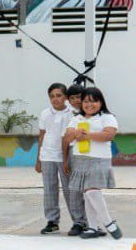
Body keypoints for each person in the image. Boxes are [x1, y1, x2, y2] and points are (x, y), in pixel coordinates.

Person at [64, 86, 122, 240]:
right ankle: (92, 227)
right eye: (85, 101)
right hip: (80, 159)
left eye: (93, 101)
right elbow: (68, 136)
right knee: (88, 192)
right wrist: (76, 133)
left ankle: (109, 222)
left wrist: (87, 135)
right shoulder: (76, 119)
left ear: (101, 102)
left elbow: (108, 135)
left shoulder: (107, 117)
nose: (89, 105)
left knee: (91, 190)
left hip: (99, 159)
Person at [36, 83, 74, 234]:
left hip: (65, 156)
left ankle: (79, 221)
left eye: (59, 95)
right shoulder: (45, 113)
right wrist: (38, 159)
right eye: (52, 96)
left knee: (69, 189)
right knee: (49, 189)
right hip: (47, 156)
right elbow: (41, 136)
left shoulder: (72, 113)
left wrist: (66, 159)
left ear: (65, 97)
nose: (55, 99)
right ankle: (52, 221)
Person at [62, 83, 89, 236]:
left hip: (91, 153)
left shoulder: (93, 112)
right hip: (74, 152)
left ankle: (92, 223)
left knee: (90, 189)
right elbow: (65, 139)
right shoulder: (68, 116)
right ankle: (78, 222)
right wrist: (65, 159)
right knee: (75, 190)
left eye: (79, 97)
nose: (76, 100)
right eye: (72, 98)